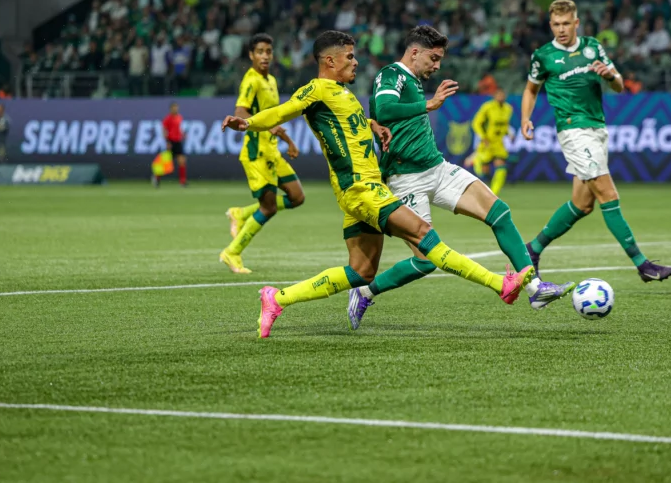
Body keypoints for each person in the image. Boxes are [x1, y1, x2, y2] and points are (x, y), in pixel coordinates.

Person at [222, 31, 534, 339]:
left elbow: (352, 122)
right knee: (425, 237)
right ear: (329, 61)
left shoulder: (343, 93)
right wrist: (248, 123)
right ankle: (500, 285)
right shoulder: (316, 90)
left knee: (360, 272)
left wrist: (375, 126)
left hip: (364, 189)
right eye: (349, 57)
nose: (356, 62)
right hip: (360, 189)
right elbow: (283, 110)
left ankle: (276, 299)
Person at [346, 25, 573, 330]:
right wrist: (428, 104)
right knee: (426, 261)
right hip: (404, 179)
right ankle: (363, 292)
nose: (437, 65)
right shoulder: (392, 74)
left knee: (499, 212)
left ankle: (534, 288)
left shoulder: (412, 79)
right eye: (434, 58)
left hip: (437, 169)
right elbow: (384, 109)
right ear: (415, 52)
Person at [522, 0, 671, 282]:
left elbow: (619, 84)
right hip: (572, 131)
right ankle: (642, 265)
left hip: (596, 129)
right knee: (609, 195)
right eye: (556, 24)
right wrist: (525, 118)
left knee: (582, 205)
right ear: (550, 25)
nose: (561, 29)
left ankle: (532, 249)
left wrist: (610, 75)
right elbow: (531, 90)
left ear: (576, 23)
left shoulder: (592, 47)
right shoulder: (543, 55)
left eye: (566, 23)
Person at [219, 34, 306, 274]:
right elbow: (241, 111)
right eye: (260, 51)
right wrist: (266, 127)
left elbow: (272, 118)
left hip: (272, 151)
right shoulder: (252, 80)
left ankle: (242, 213)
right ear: (251, 55)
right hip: (257, 154)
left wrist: (288, 141)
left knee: (297, 197)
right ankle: (232, 252)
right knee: (268, 208)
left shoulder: (271, 80)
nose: (265, 56)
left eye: (268, 51)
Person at [464, 87, 513, 195]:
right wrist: (483, 136)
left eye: (503, 95)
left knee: (501, 167)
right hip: (487, 142)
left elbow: (505, 125)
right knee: (484, 171)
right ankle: (477, 160)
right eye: (499, 95)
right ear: (494, 96)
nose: (501, 97)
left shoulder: (508, 108)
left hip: (498, 143)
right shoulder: (487, 107)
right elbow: (476, 123)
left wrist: (509, 134)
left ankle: (494, 194)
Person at [157, 102, 187, 188]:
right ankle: (157, 177)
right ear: (171, 109)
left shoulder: (179, 117)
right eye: (174, 108)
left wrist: (183, 134)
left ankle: (182, 181)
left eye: (177, 107)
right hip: (171, 142)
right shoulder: (168, 119)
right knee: (166, 162)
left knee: (182, 161)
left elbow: (179, 129)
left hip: (178, 142)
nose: (176, 109)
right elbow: (164, 130)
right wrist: (167, 141)